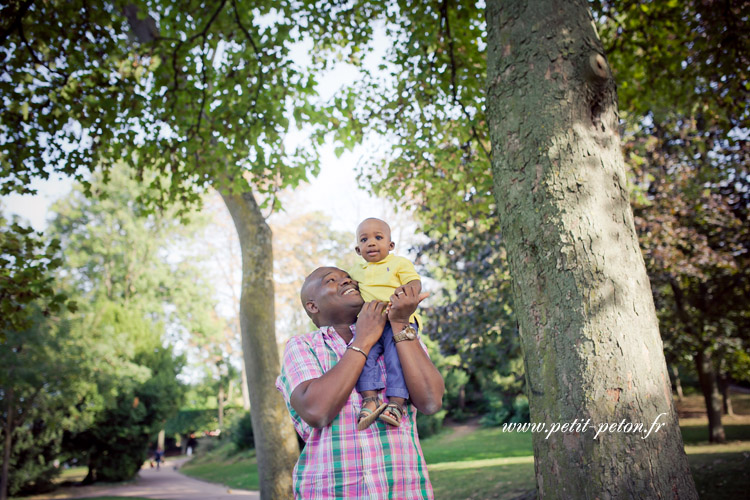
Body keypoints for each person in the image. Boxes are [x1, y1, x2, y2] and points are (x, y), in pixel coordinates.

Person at [276, 267, 444, 499]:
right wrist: (363, 339)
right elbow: (316, 411)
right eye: (332, 281)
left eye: (348, 278)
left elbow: (431, 401)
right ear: (313, 306)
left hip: (405, 492)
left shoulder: (401, 336)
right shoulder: (302, 346)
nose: (348, 282)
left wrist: (399, 323)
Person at [347, 217, 423, 430]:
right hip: (371, 325)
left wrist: (406, 292)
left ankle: (397, 404)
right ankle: (370, 399)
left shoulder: (398, 263)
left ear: (391, 246)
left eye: (378, 238)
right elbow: (348, 287)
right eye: (364, 239)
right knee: (362, 356)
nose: (371, 242)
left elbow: (414, 281)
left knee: (395, 358)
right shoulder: (356, 270)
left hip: (397, 320)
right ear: (357, 249)